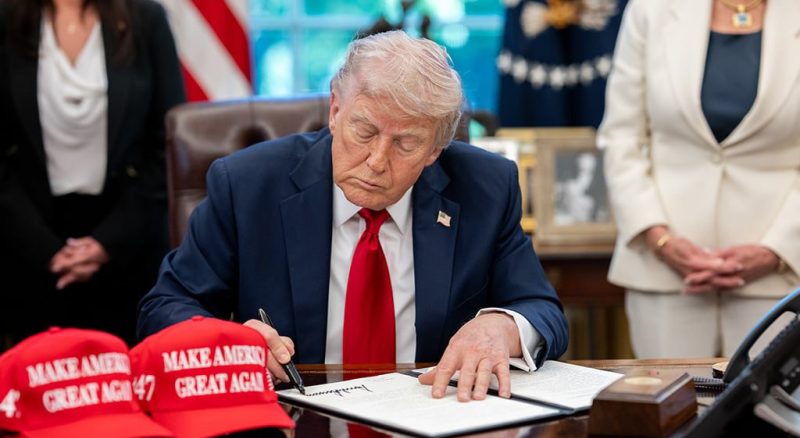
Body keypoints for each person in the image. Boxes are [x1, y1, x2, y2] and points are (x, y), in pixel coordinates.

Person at [137, 30, 568, 401]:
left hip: (434, 425)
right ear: (335, 111)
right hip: (296, 428)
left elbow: (543, 310)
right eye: (364, 131)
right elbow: (164, 307)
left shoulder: (485, 189)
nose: (377, 161)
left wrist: (502, 327)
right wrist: (229, 341)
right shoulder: (248, 185)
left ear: (436, 150)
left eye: (406, 144)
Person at [598, 0, 800, 358]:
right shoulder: (651, 10)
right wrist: (659, 238)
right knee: (670, 409)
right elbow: (621, 137)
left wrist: (777, 250)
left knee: (774, 414)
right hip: (665, 271)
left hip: (783, 276)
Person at [0, 0, 185, 346]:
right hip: (29, 246)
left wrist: (108, 242)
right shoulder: (7, 20)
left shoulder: (146, 19)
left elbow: (170, 144)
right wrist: (44, 248)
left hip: (129, 246)